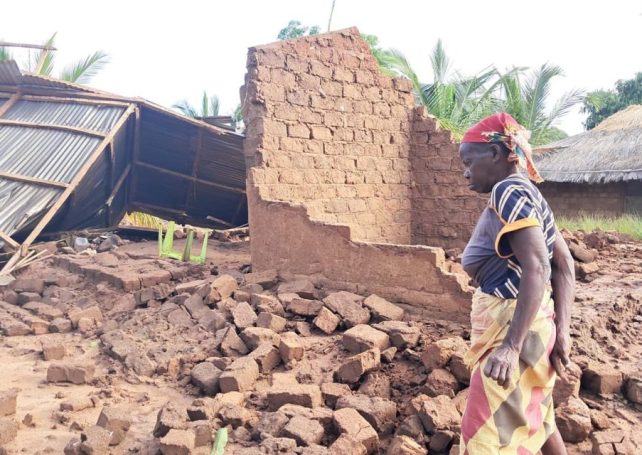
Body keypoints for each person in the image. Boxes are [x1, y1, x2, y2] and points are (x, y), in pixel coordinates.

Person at [458, 113, 575, 454]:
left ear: (495, 154)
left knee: (483, 436)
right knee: (539, 417)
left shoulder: (507, 189)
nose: (465, 172)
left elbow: (538, 265)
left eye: (468, 161)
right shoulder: (532, 195)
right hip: (537, 327)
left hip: (514, 330)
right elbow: (563, 264)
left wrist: (509, 347)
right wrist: (562, 332)